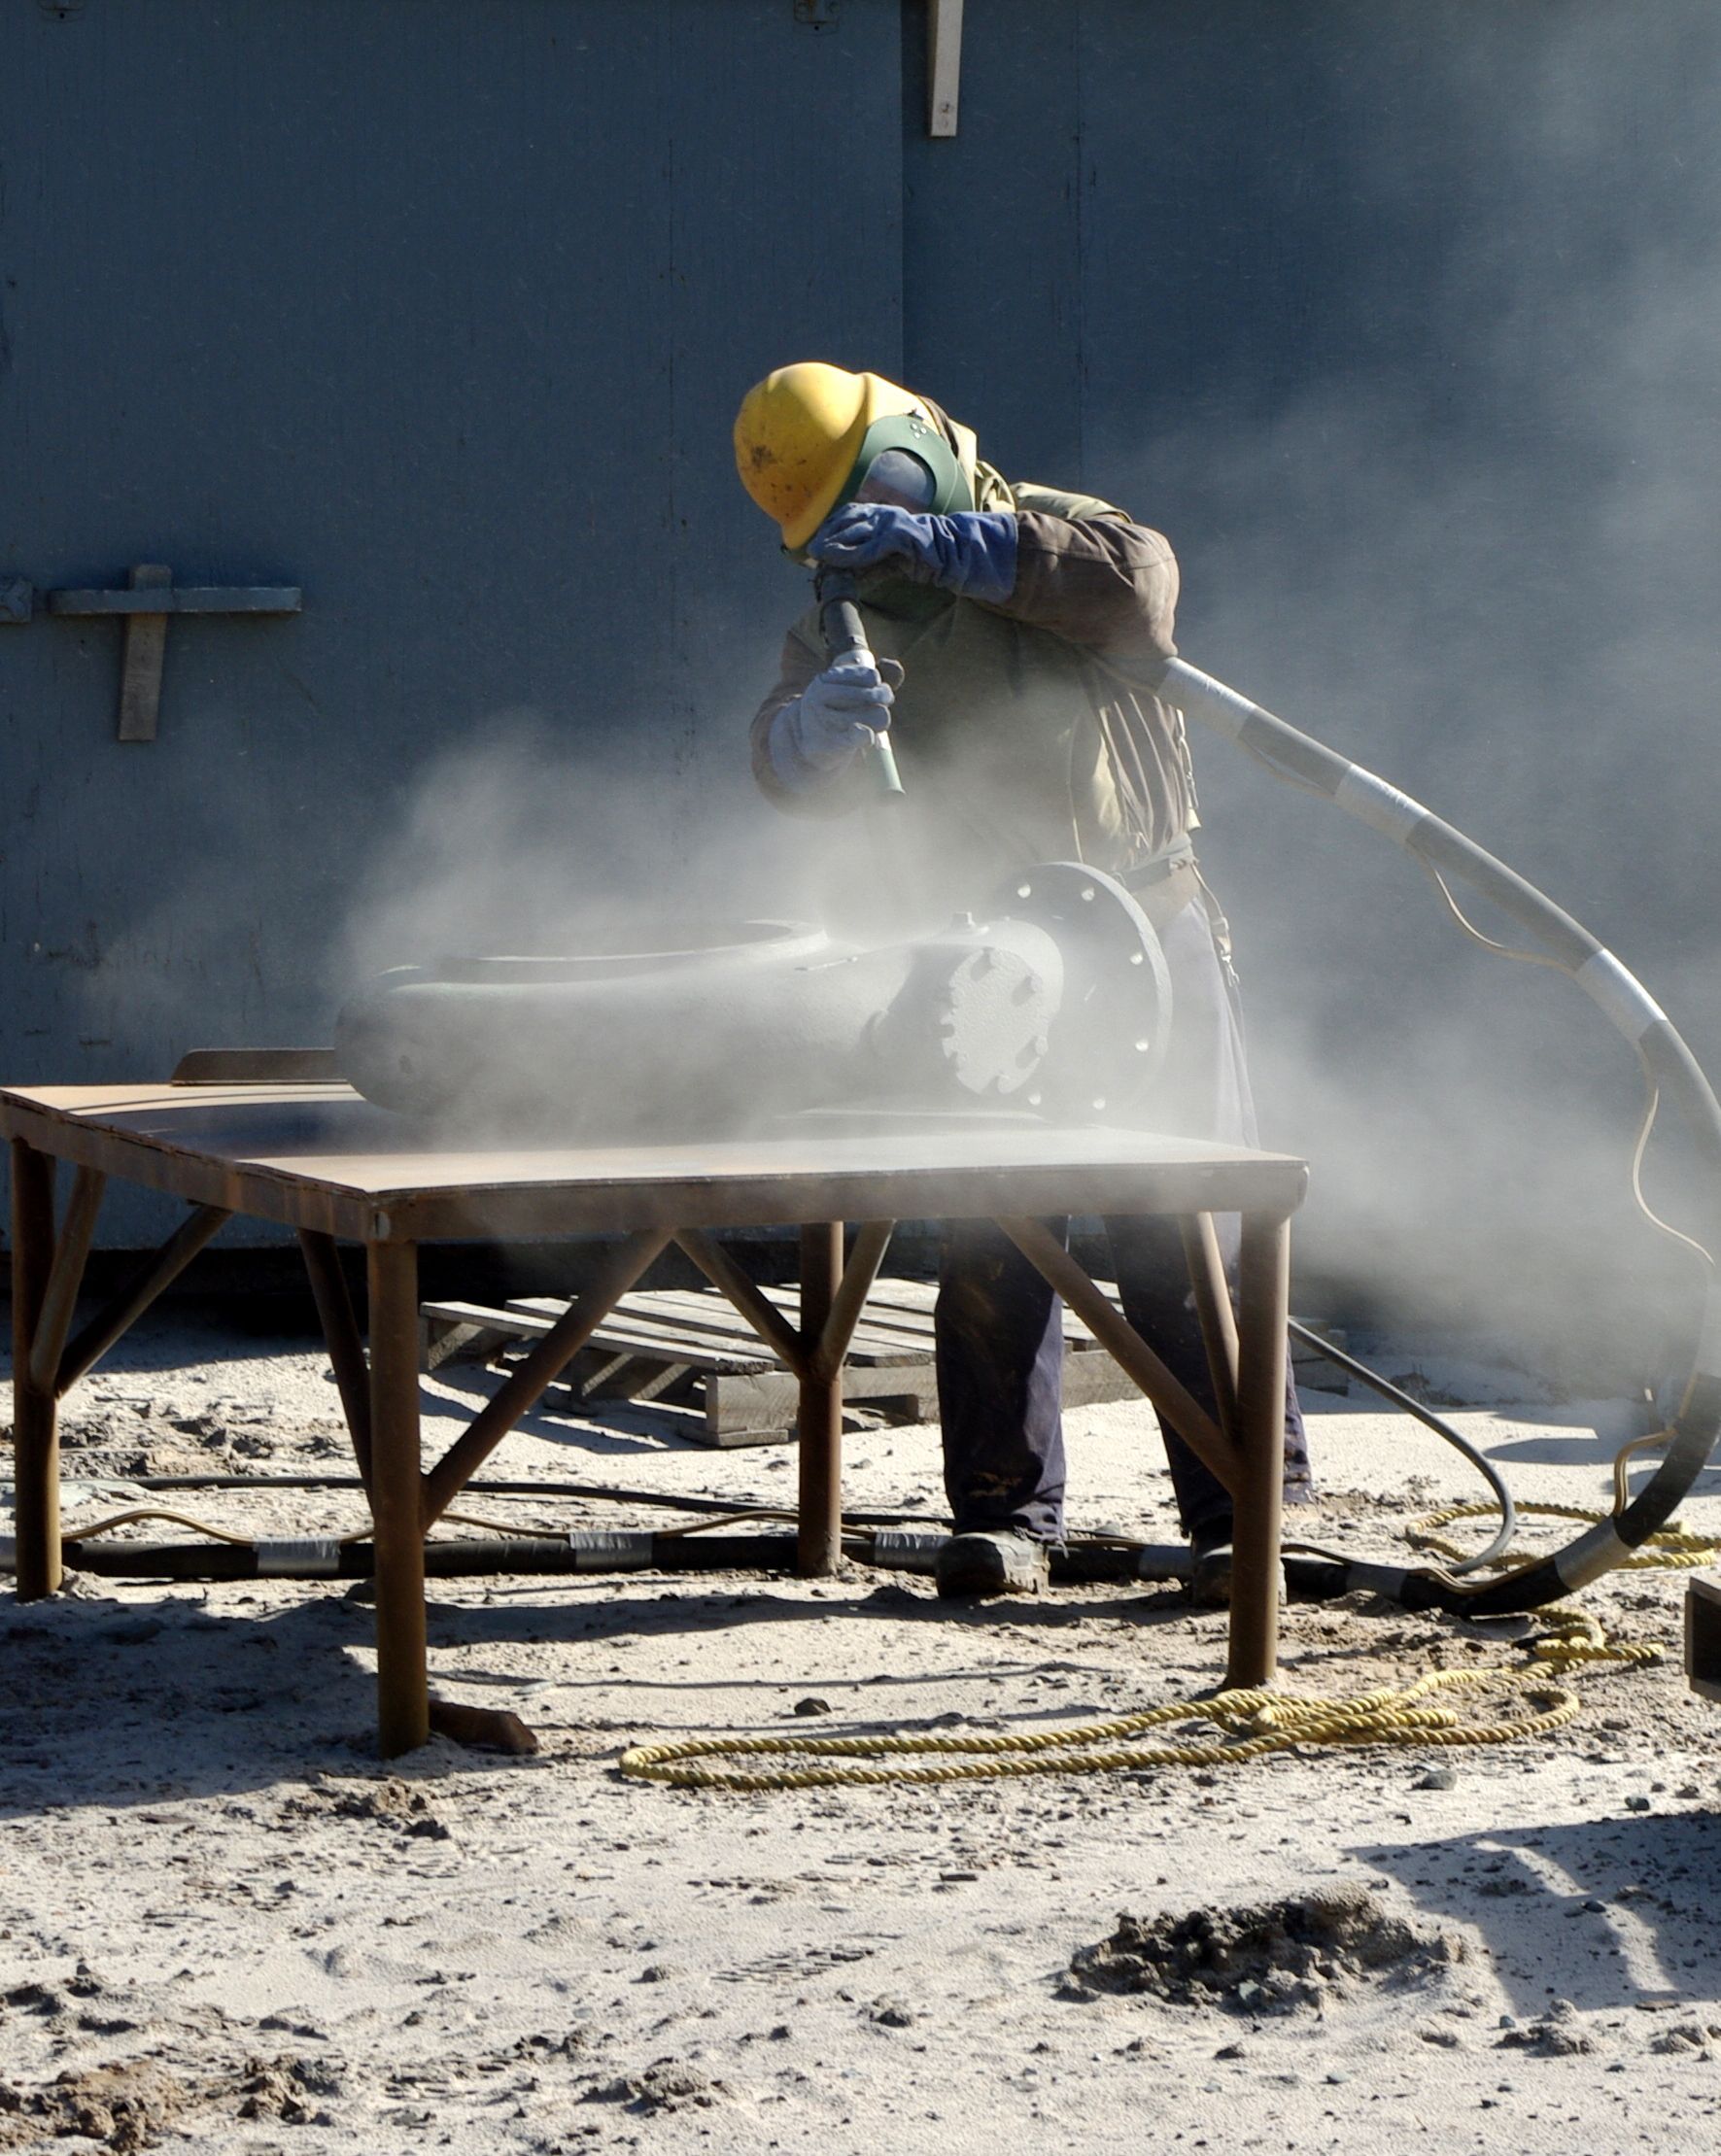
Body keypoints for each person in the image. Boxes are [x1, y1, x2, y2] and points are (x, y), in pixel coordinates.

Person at [733, 361, 1311, 1602]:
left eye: (878, 486)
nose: (864, 522)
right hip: (984, 949)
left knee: (1182, 1220)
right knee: (994, 1229)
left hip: (1144, 919)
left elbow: (1135, 593)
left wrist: (956, 548)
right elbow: (776, 758)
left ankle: (1245, 1510)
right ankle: (1007, 1518)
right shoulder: (849, 615)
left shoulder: (1063, 536)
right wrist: (803, 740)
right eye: (835, 511)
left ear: (923, 445)